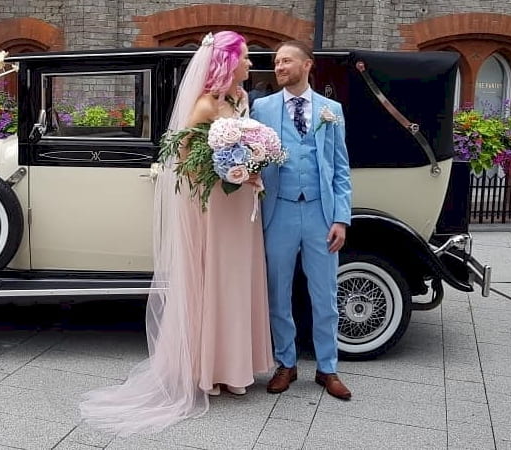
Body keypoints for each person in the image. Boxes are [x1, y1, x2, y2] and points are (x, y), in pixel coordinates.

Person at [79, 31, 274, 436]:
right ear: (227, 61)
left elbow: (246, 145)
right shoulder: (204, 105)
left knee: (237, 281)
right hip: (215, 208)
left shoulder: (240, 100)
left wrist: (251, 167)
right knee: (215, 280)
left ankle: (234, 368)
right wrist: (226, 170)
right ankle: (209, 371)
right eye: (246, 58)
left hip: (239, 207)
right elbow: (182, 161)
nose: (251, 64)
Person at [250, 40, 353, 400]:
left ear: (307, 65)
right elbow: (252, 156)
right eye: (276, 61)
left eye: (286, 60)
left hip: (320, 215)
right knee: (278, 292)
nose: (279, 66)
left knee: (324, 294)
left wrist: (341, 218)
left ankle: (328, 368)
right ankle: (286, 363)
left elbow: (341, 168)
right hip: (277, 211)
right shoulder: (260, 107)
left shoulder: (331, 110)